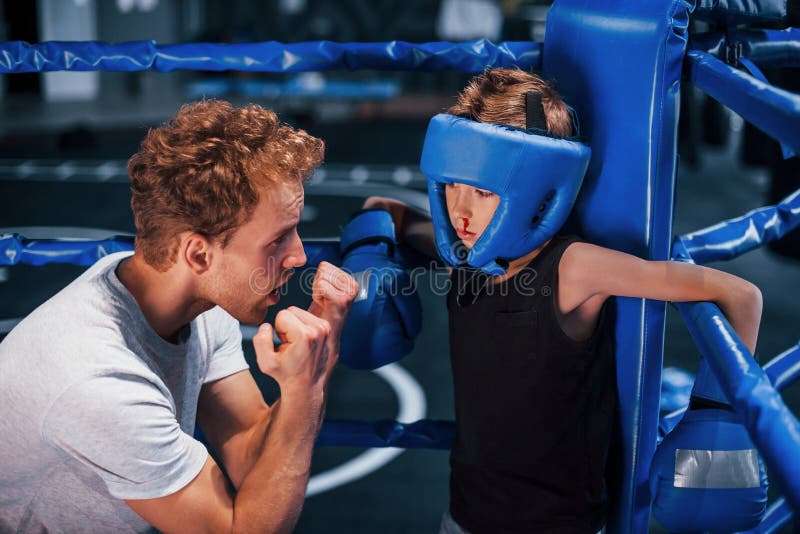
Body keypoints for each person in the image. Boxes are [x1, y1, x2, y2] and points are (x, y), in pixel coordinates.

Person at [364, 68, 763, 533]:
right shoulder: (464, 258)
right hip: (464, 517)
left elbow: (741, 295)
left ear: (536, 188)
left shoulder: (573, 269)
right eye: (452, 184)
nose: (460, 210)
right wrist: (365, 257)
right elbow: (382, 208)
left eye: (483, 191)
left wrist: (716, 418)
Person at [0, 100, 358, 533]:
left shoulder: (198, 299)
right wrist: (307, 386)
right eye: (278, 239)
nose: (299, 256)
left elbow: (249, 454)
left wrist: (321, 346)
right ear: (199, 253)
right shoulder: (99, 378)